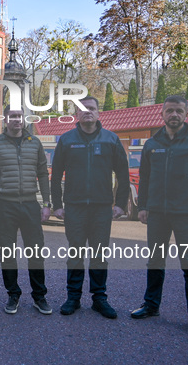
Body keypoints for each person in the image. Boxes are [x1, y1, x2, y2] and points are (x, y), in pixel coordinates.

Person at [131, 95, 188, 337]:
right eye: (169, 110)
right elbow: (145, 178)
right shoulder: (152, 144)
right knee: (155, 262)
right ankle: (151, 306)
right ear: (162, 113)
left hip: (186, 214)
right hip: (157, 214)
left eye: (179, 111)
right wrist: (143, 206)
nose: (174, 115)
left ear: (186, 113)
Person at [51, 96, 129, 319]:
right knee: (75, 253)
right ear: (77, 114)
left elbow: (123, 175)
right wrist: (57, 205)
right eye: (83, 109)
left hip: (101, 208)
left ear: (98, 113)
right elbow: (55, 176)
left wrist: (121, 204)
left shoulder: (111, 140)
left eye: (92, 108)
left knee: (99, 255)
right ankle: (73, 297)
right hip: (74, 208)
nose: (88, 112)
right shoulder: (66, 140)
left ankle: (99, 298)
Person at [0, 106, 52, 315]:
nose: (16, 120)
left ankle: (39, 296)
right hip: (4, 205)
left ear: (25, 119)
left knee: (36, 252)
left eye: (19, 116)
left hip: (30, 204)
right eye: (12, 116)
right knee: (7, 253)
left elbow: (43, 173)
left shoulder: (35, 143)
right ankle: (13, 294)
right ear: (5, 119)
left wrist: (47, 204)